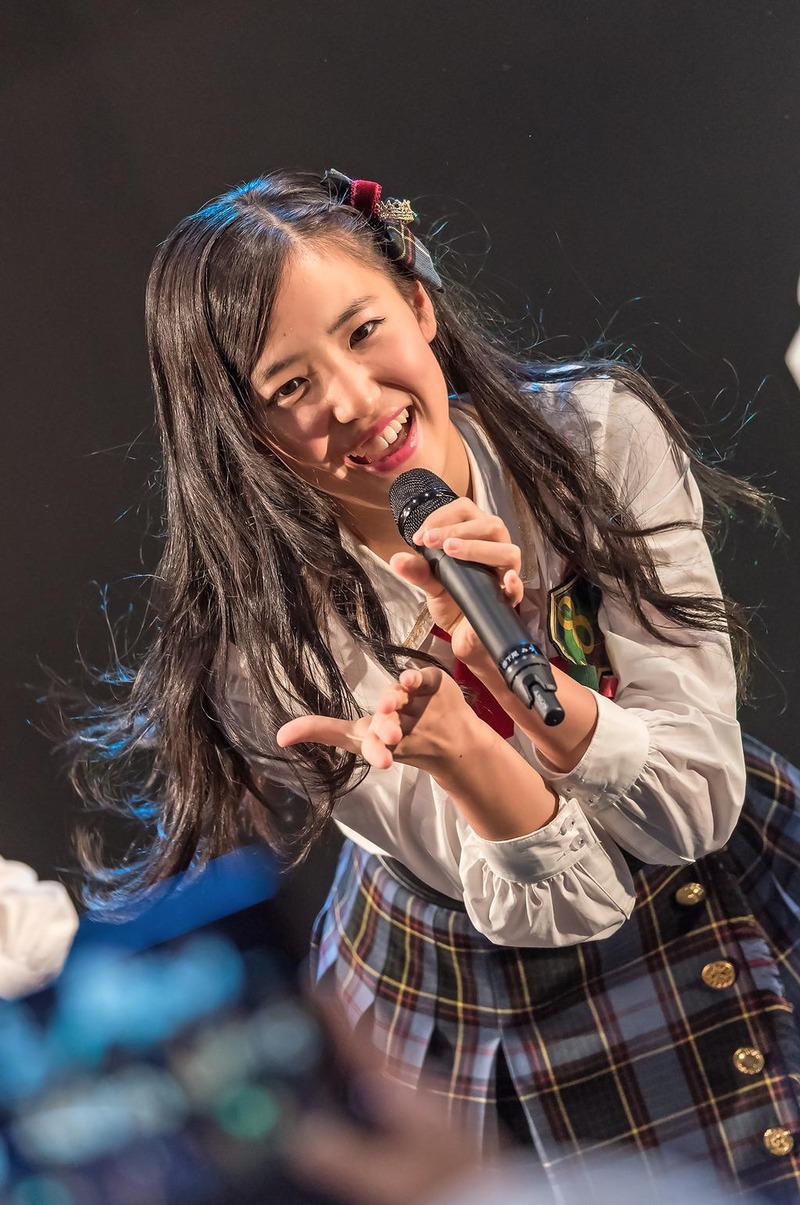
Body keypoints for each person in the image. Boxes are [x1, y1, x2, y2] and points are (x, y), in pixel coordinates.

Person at [66, 168, 800, 1199]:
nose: (356, 401)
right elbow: (570, 903)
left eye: (364, 330)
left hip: (719, 882)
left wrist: (521, 667)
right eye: (290, 388)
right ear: (247, 433)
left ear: (419, 304)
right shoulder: (273, 654)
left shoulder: (593, 436)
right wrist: (457, 748)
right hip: (479, 982)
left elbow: (691, 808)